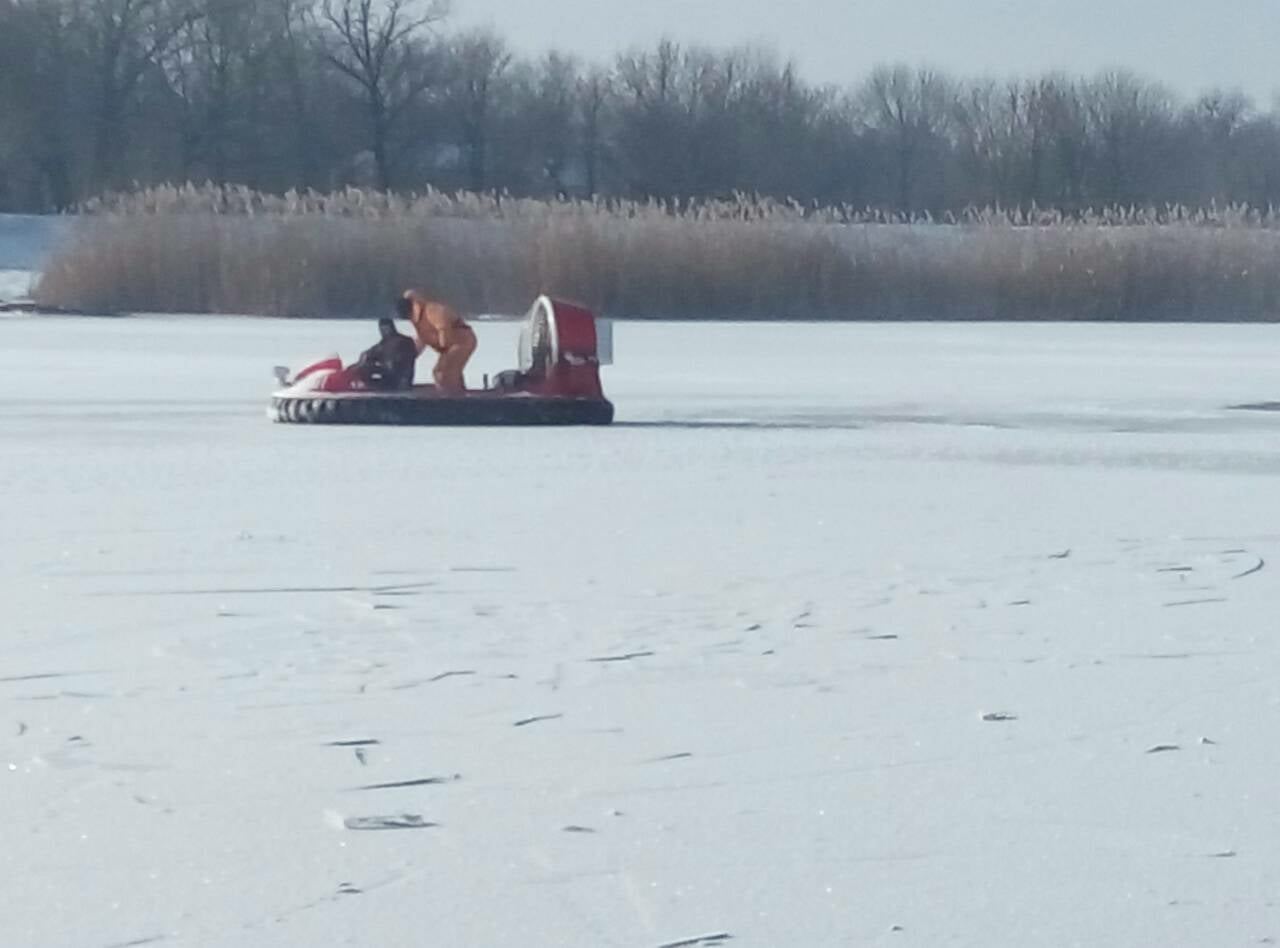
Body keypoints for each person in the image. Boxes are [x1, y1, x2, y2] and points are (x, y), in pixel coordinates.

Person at [394, 290, 477, 394]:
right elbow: (422, 339)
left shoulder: (431, 310)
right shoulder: (417, 319)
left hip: (462, 341)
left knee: (442, 371)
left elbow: (443, 327)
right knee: (448, 371)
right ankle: (456, 393)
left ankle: (452, 399)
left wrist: (443, 345)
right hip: (450, 346)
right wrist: (411, 355)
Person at [353, 317, 417, 391]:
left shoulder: (402, 342)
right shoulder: (385, 343)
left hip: (399, 381)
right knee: (362, 367)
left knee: (363, 368)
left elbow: (396, 365)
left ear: (390, 328)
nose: (383, 332)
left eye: (384, 329)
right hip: (392, 378)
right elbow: (368, 353)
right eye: (381, 329)